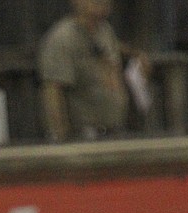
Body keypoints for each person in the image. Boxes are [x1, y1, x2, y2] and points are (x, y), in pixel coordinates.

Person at [38, 0, 132, 143]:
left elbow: (113, 66)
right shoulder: (62, 38)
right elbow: (53, 90)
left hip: (114, 129)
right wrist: (60, 136)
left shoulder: (105, 31)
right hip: (83, 134)